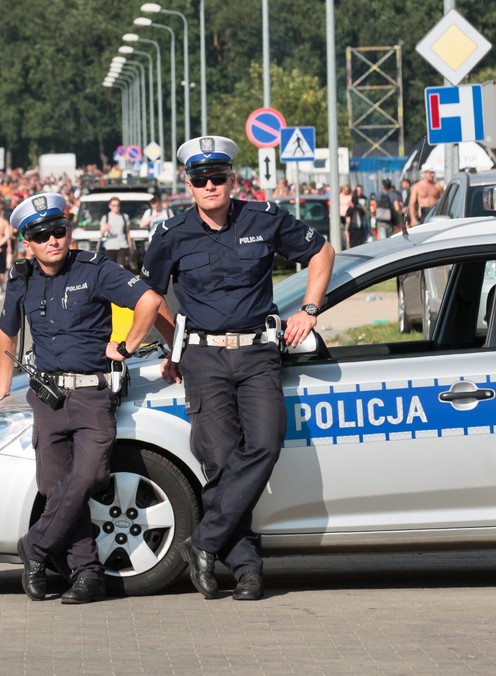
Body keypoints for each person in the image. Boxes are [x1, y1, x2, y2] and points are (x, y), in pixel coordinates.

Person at [141, 136, 334, 601]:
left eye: (218, 178)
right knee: (223, 463)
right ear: (189, 185)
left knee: (265, 445)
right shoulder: (171, 235)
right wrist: (174, 347)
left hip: (258, 353)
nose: (210, 186)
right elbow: (150, 298)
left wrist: (309, 308)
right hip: (203, 360)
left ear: (232, 179)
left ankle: (203, 542)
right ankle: (247, 568)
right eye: (200, 179)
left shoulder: (264, 219)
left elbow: (322, 252)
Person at [0, 192, 164, 605]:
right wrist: (3, 385)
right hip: (47, 396)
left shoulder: (94, 268)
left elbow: (150, 301)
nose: (53, 241)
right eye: (41, 235)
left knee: (90, 478)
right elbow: (7, 330)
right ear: (27, 241)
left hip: (92, 394)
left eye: (59, 231)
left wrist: (128, 346)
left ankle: (35, 547)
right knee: (54, 485)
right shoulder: (20, 276)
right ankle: (87, 574)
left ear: (68, 231)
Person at [99, 197, 131, 268]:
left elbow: (128, 233)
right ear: (110, 206)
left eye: (118, 205)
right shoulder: (106, 217)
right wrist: (104, 229)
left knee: (121, 267)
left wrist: (130, 247)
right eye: (114, 205)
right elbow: (101, 234)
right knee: (111, 267)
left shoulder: (124, 217)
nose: (116, 207)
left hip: (122, 245)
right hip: (109, 246)